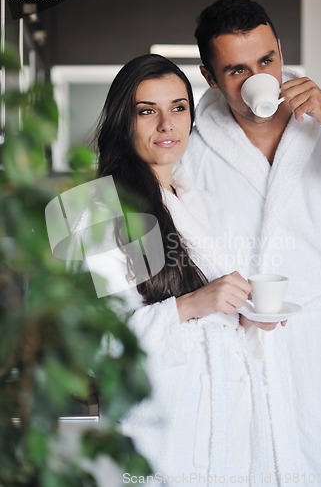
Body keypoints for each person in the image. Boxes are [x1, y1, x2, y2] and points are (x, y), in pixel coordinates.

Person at [67, 54, 282, 486]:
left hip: (230, 434)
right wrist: (190, 305)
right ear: (121, 120)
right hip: (161, 441)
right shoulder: (102, 209)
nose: (167, 124)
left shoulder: (202, 202)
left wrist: (246, 315)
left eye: (178, 107)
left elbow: (218, 318)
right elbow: (97, 346)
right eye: (147, 111)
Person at [182, 0, 321, 486]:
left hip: (320, 350)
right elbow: (125, 217)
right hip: (233, 356)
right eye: (236, 70)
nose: (256, 79)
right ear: (209, 76)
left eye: (267, 61)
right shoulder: (189, 143)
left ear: (281, 50)